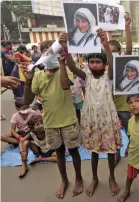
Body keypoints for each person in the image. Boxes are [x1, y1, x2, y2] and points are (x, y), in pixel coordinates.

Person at [59, 29, 121, 197]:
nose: (94, 64)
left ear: (104, 64)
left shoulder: (109, 76)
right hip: (91, 120)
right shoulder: (86, 75)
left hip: (107, 119)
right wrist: (65, 47)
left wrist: (106, 46)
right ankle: (94, 178)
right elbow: (71, 65)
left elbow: (112, 63)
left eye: (97, 62)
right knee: (93, 151)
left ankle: (111, 177)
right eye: (91, 61)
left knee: (110, 151)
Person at [23, 40, 83, 198]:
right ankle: (64, 181)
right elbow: (27, 101)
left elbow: (64, 86)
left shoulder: (66, 71)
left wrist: (62, 63)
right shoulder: (38, 76)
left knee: (74, 152)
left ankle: (78, 178)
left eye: (51, 52)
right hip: (50, 122)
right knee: (59, 153)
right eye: (45, 53)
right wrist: (28, 81)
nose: (48, 56)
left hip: (69, 120)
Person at [110, 14, 132, 165]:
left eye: (114, 50)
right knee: (114, 134)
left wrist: (127, 27)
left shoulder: (124, 66)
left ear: (119, 51)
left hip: (125, 107)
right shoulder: (103, 69)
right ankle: (117, 153)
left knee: (131, 132)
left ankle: (130, 148)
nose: (112, 53)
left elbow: (129, 50)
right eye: (108, 50)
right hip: (110, 108)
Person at [0, 98, 38, 177]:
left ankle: (24, 163)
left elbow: (40, 121)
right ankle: (20, 142)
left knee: (25, 142)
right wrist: (19, 137)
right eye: (23, 108)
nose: (26, 110)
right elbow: (12, 130)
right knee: (3, 137)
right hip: (21, 133)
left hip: (31, 133)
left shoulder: (33, 113)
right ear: (17, 109)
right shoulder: (15, 116)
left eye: (27, 107)